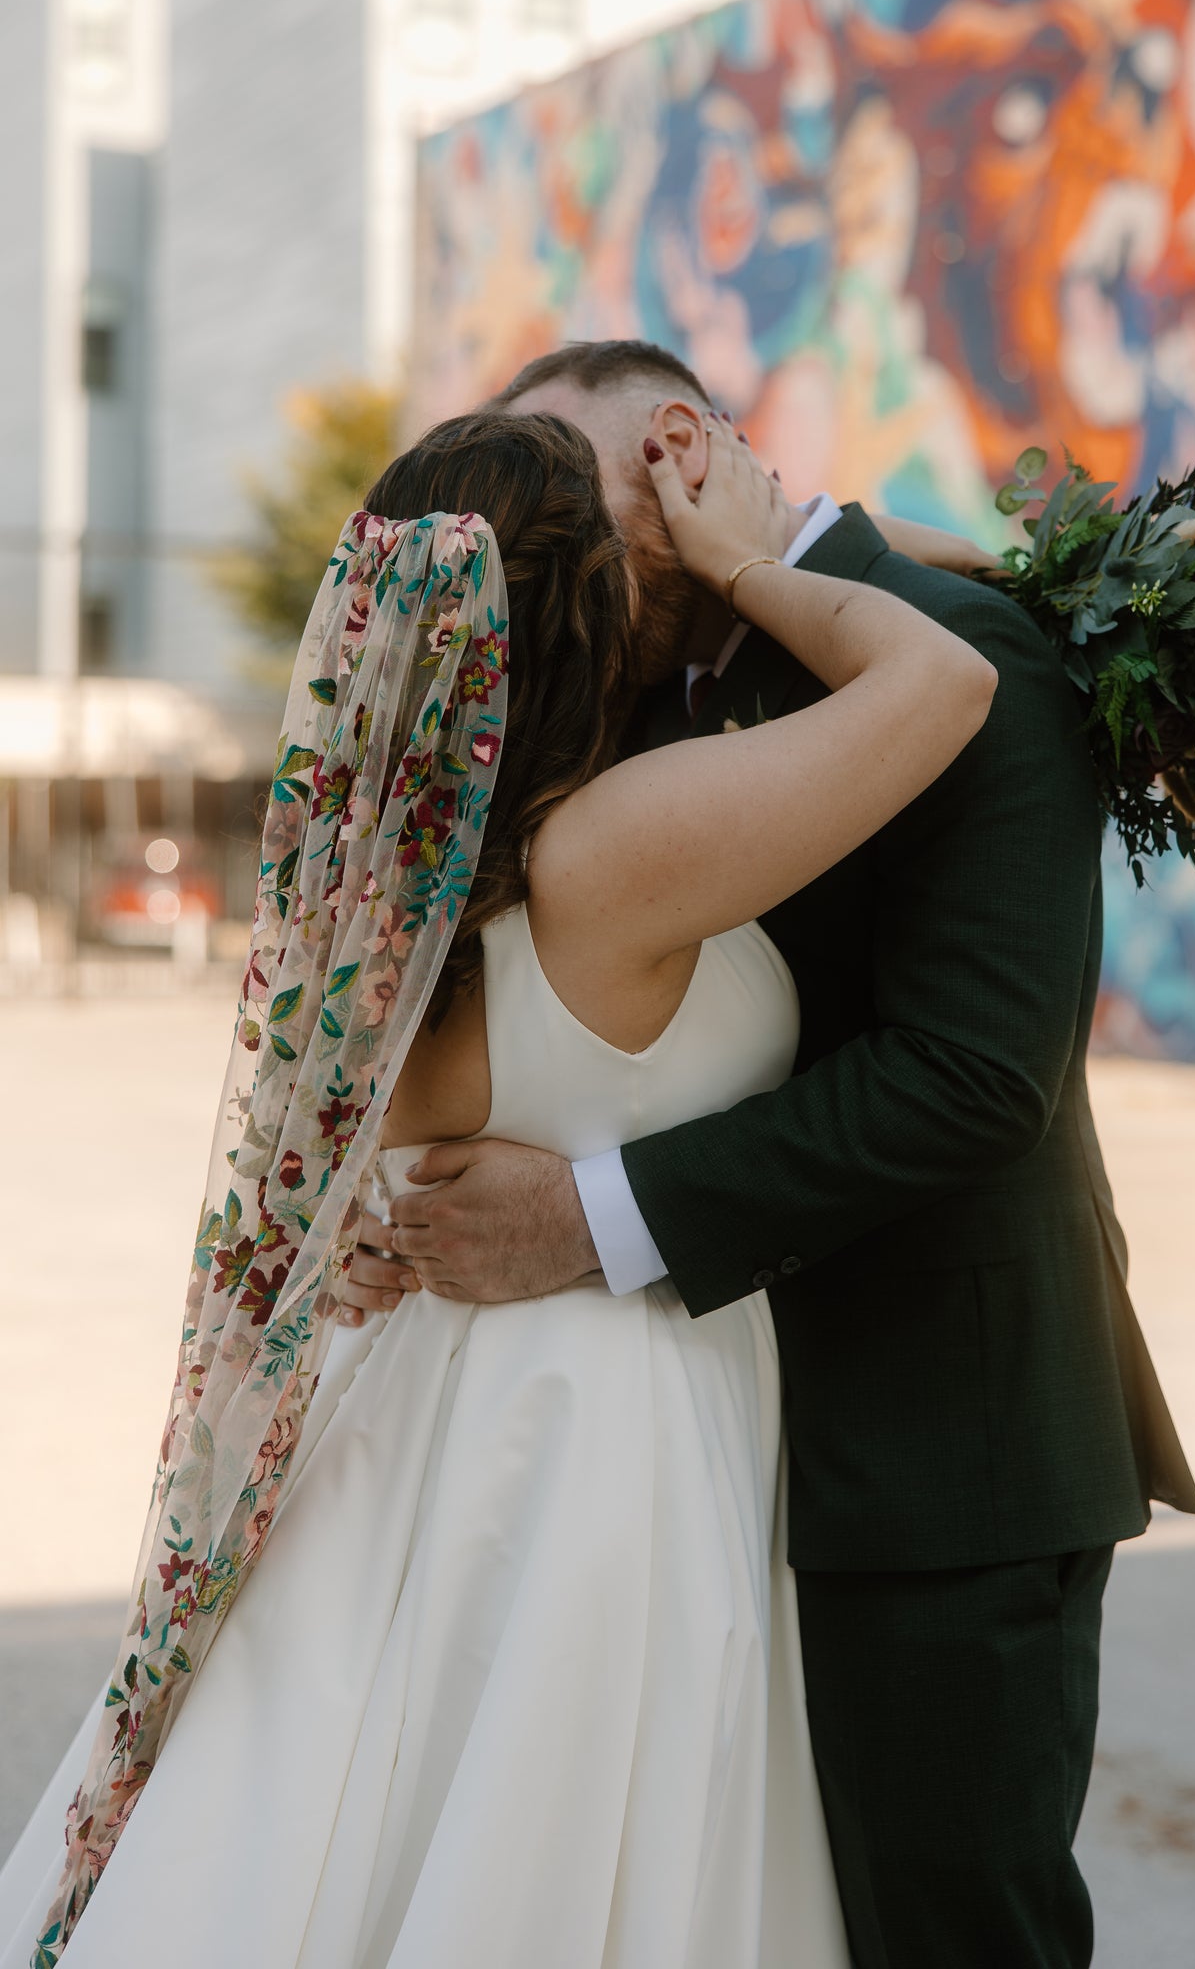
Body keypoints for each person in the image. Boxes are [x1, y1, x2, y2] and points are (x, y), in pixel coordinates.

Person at [0, 407, 995, 1969]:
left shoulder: (365, 905)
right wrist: (761, 548)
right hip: (610, 1425)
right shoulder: (613, 855)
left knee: (365, 1802)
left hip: (414, 1403)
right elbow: (945, 680)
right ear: (597, 607)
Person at [342, 340, 1195, 1969]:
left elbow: (966, 1079)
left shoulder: (967, 659)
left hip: (929, 1439)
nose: (550, 553)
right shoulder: (609, 698)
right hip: (675, 1443)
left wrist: (587, 1217)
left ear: (679, 450)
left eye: (569, 491)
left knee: (939, 1926)